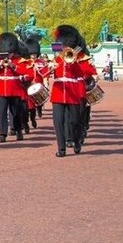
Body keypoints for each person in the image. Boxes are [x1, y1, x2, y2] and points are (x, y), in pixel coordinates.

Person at [50, 25, 96, 157]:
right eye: (63, 45)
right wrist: (50, 67)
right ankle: (61, 148)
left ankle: (76, 141)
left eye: (66, 45)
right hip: (58, 93)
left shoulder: (77, 59)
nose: (64, 48)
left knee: (75, 121)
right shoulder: (57, 59)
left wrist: (73, 62)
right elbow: (42, 73)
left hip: (73, 93)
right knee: (58, 121)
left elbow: (85, 72)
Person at [0, 32, 28, 143]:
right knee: (2, 112)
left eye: (10, 52)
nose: (9, 54)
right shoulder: (0, 60)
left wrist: (13, 66)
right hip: (1, 89)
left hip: (14, 89)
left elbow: (23, 71)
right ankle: (3, 134)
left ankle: (18, 131)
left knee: (15, 112)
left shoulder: (20, 61)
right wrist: (0, 65)